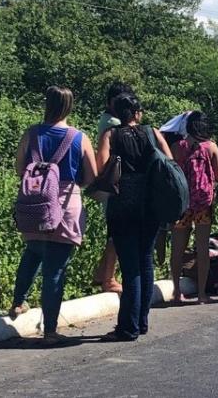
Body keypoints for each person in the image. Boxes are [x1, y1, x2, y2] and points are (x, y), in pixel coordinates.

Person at [9, 86, 97, 344]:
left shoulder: (31, 134)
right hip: (65, 204)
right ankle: (49, 331)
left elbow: (19, 168)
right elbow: (91, 177)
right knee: (55, 271)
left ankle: (18, 302)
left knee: (33, 251)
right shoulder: (78, 137)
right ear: (70, 107)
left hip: (34, 204)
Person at [97, 93, 172, 341]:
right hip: (150, 207)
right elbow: (169, 163)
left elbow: (101, 168)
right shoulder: (152, 132)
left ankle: (127, 327)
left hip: (123, 207)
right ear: (137, 113)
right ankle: (141, 322)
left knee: (130, 268)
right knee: (145, 261)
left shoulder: (111, 135)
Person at [170, 111, 218, 304]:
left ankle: (176, 292)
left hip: (182, 204)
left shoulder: (177, 147)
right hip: (203, 204)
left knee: (177, 248)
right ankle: (201, 294)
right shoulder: (211, 147)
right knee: (202, 248)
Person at [92, 82, 133, 294]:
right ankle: (108, 277)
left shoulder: (106, 119)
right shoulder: (115, 123)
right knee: (115, 234)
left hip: (111, 186)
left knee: (114, 232)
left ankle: (102, 273)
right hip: (117, 185)